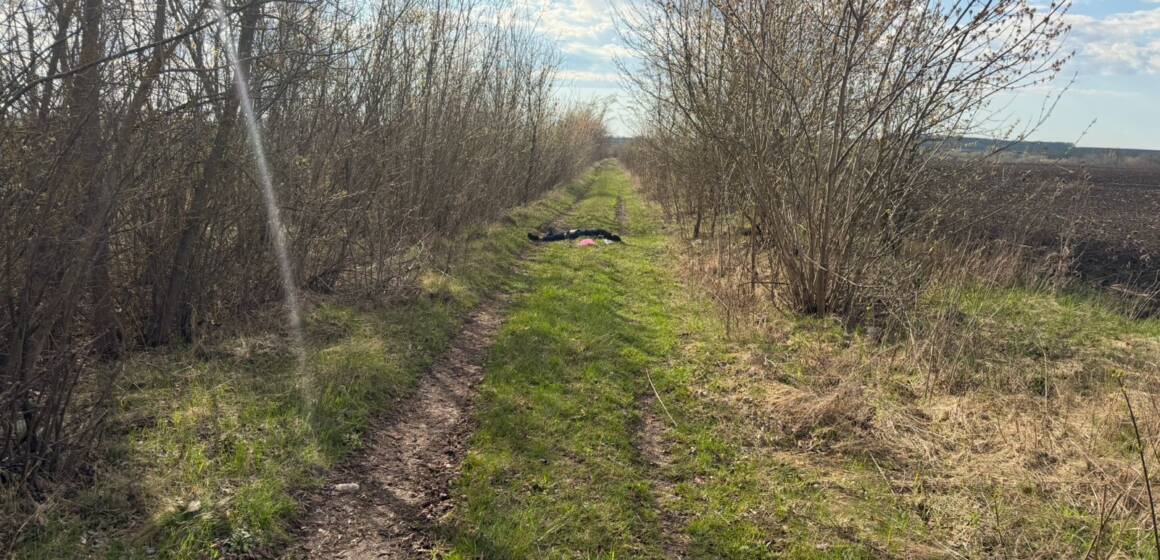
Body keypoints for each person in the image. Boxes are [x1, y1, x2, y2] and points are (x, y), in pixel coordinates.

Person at [527, 228, 622, 243]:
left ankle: (539, 238)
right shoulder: (605, 235)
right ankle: (546, 236)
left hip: (579, 233)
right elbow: (594, 237)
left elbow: (593, 237)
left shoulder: (605, 234)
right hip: (579, 233)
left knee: (560, 236)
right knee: (560, 236)